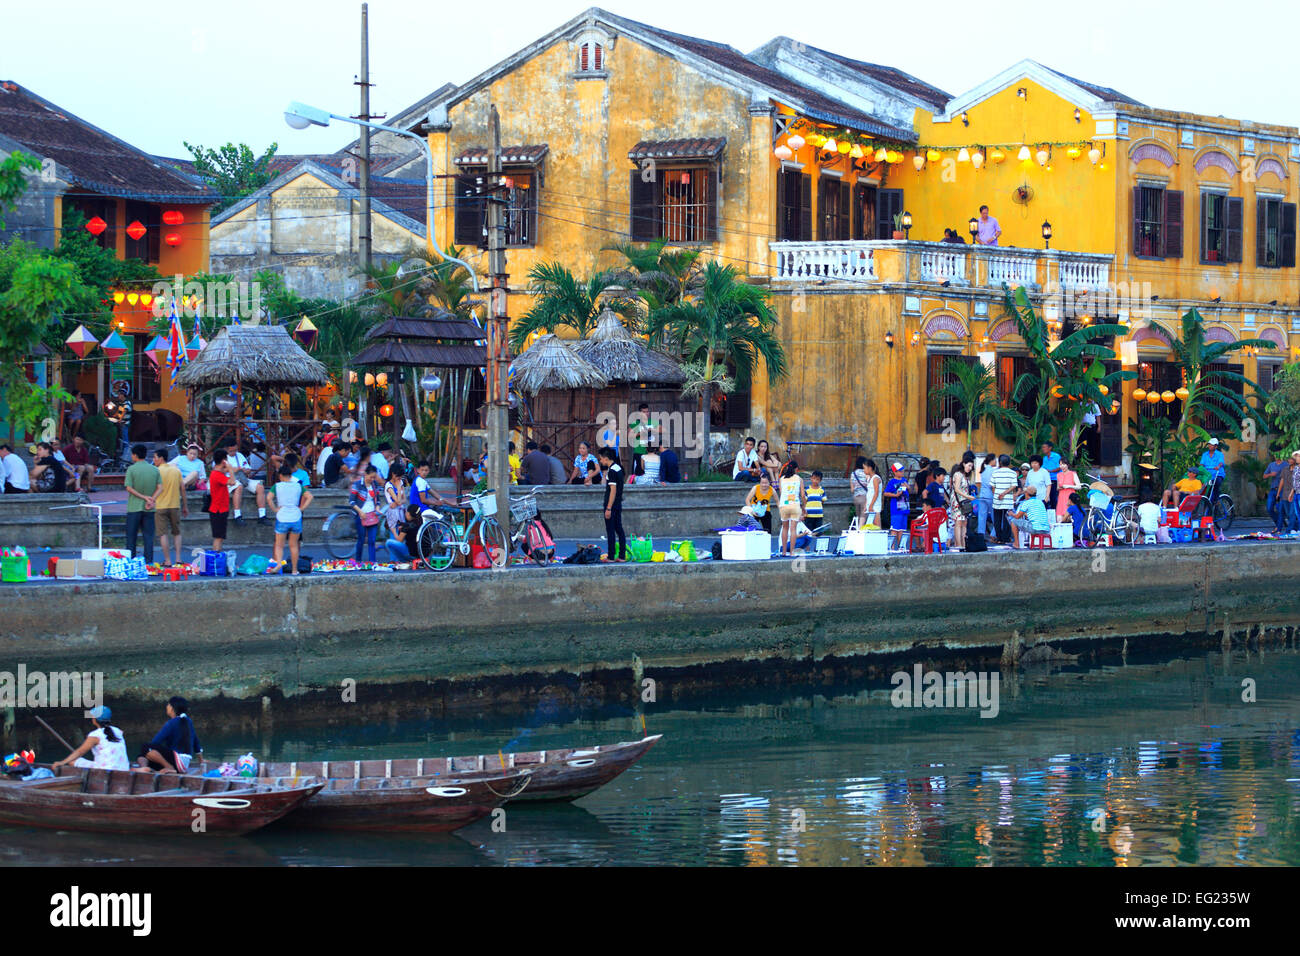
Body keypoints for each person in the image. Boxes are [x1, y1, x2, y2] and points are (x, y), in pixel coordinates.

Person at [136, 696, 202, 774]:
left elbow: (155, 742)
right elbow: (196, 743)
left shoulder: (172, 723)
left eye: (168, 705)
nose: (167, 707)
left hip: (177, 763)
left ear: (171, 708)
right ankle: (145, 768)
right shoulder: (189, 721)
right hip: (184, 765)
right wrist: (201, 760)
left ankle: (168, 767)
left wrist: (155, 752)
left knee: (145, 747)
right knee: (142, 756)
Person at [52, 706, 128, 772]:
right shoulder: (118, 731)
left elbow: (80, 751)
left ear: (95, 719)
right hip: (124, 768)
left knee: (72, 761)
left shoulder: (95, 735)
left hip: (105, 770)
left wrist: (62, 762)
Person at [269, 463, 313, 575]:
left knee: (279, 545)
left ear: (281, 476)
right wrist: (301, 508)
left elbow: (269, 498)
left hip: (282, 517)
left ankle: (279, 563)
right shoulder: (298, 486)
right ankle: (294, 570)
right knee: (293, 545)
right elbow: (309, 496)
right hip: (296, 517)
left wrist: (274, 509)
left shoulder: (277, 486)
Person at [120, 444, 159, 564]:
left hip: (134, 508)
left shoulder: (131, 469)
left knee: (131, 537)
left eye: (132, 454)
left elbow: (129, 488)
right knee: (148, 537)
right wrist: (151, 499)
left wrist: (143, 497)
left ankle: (131, 562)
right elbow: (160, 487)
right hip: (149, 508)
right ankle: (149, 563)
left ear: (135, 455)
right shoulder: (154, 469)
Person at [151, 449, 184, 566]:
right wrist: (185, 505)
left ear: (161, 458)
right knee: (177, 532)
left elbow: (154, 489)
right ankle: (178, 559)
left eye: (155, 457)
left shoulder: (156, 471)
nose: (153, 460)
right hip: (175, 505)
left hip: (160, 506)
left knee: (163, 534)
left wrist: (151, 501)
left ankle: (168, 560)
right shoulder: (176, 471)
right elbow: (182, 488)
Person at [225, 440, 267, 527]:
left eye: (235, 450)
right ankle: (237, 515)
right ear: (226, 449)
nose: (234, 452)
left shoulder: (239, 455)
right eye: (231, 451)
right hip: (229, 480)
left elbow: (248, 469)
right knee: (239, 487)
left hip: (242, 478)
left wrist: (245, 470)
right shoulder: (222, 457)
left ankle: (262, 515)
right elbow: (217, 470)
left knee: (260, 487)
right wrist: (232, 469)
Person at [598, 446, 626, 561]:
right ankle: (622, 556)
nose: (600, 461)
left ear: (606, 458)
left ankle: (611, 556)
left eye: (601, 459)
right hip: (618, 503)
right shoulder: (618, 468)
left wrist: (608, 508)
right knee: (619, 529)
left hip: (612, 504)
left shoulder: (612, 471)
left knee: (610, 530)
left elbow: (612, 491)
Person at [350, 464, 383, 563]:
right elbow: (351, 501)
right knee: (361, 539)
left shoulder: (374, 484)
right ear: (365, 474)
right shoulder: (357, 485)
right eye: (370, 477)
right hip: (361, 516)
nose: (372, 479)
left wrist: (377, 507)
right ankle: (358, 561)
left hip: (372, 515)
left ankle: (373, 562)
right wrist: (360, 512)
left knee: (372, 541)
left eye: (374, 477)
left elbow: (377, 499)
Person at [777, 459, 806, 557]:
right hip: (795, 505)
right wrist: (804, 507)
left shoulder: (781, 479)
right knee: (793, 529)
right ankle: (792, 552)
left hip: (784, 505)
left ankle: (784, 552)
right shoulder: (799, 479)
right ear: (796, 469)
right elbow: (802, 495)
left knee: (785, 528)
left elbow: (781, 493)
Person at [1007, 485, 1050, 549]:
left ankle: (1016, 544)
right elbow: (1034, 516)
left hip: (1035, 528)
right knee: (1029, 523)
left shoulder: (1027, 503)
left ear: (1026, 494)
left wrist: (1011, 514)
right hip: (1046, 529)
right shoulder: (1041, 502)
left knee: (1013, 521)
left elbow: (1017, 517)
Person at [988, 454, 1019, 544]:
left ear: (1000, 462)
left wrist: (997, 494)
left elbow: (992, 486)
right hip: (1008, 499)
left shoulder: (995, 473)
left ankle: (999, 538)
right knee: (1006, 518)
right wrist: (1005, 493)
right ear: (1009, 463)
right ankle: (1006, 537)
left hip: (997, 499)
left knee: (997, 519)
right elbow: (1014, 486)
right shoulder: (1012, 473)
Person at [208, 448, 232, 551]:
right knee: (218, 538)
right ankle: (216, 560)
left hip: (220, 508)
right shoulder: (217, 475)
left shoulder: (216, 472)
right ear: (223, 461)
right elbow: (233, 481)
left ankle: (218, 558)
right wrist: (230, 469)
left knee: (220, 537)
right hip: (219, 509)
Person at [884, 463, 910, 551]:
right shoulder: (892, 482)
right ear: (895, 472)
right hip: (896, 508)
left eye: (903, 470)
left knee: (902, 528)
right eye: (900, 471)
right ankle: (891, 547)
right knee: (895, 528)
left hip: (904, 507)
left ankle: (901, 546)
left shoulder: (904, 480)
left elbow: (909, 489)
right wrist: (895, 495)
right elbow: (886, 493)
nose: (902, 472)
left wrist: (907, 486)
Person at [950, 458, 973, 551]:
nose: (970, 468)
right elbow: (956, 489)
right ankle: (958, 544)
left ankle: (964, 544)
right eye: (969, 466)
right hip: (957, 501)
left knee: (964, 523)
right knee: (958, 522)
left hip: (964, 502)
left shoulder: (965, 476)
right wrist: (968, 496)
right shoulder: (958, 474)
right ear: (964, 464)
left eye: (971, 466)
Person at [1264, 450, 1289, 533]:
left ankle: (1278, 528)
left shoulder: (1286, 464)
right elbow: (1264, 476)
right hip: (1273, 490)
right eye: (1275, 454)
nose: (1276, 456)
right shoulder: (1271, 465)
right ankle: (1279, 523)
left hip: (1282, 490)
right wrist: (1271, 474)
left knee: (1280, 508)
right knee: (1269, 508)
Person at [630, 403, 657, 477]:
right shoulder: (635, 423)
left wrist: (653, 430)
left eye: (647, 411)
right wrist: (640, 433)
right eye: (643, 412)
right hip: (639, 452)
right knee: (637, 474)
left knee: (651, 474)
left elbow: (663, 430)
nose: (646, 413)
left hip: (652, 452)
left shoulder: (653, 422)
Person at [975, 452, 997, 537]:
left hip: (982, 495)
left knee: (982, 516)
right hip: (990, 495)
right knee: (994, 516)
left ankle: (981, 534)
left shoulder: (983, 470)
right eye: (995, 459)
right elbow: (991, 485)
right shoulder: (992, 470)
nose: (996, 461)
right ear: (991, 460)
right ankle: (994, 534)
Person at [1054, 457, 1080, 524]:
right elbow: (1057, 488)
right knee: (1059, 519)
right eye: (1060, 464)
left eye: (1064, 464)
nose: (1062, 466)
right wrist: (1060, 487)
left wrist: (1069, 486)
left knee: (1070, 519)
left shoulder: (1073, 474)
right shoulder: (1058, 475)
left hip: (1070, 498)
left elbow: (1079, 487)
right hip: (1061, 498)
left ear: (1067, 465)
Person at [1040, 441, 1062, 508]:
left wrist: (1050, 471)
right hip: (1046, 480)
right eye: (1042, 447)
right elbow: (1043, 468)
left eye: (1044, 447)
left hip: (1055, 480)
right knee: (1046, 497)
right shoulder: (1045, 458)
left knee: (1053, 498)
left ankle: (1055, 513)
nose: (1043, 449)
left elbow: (1060, 467)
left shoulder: (1056, 456)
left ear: (1050, 448)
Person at [1285, 451, 1300, 534]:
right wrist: (1291, 493)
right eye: (1296, 457)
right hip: (1296, 493)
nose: (1296, 458)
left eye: (1298, 457)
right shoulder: (1296, 468)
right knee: (1297, 513)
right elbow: (1294, 483)